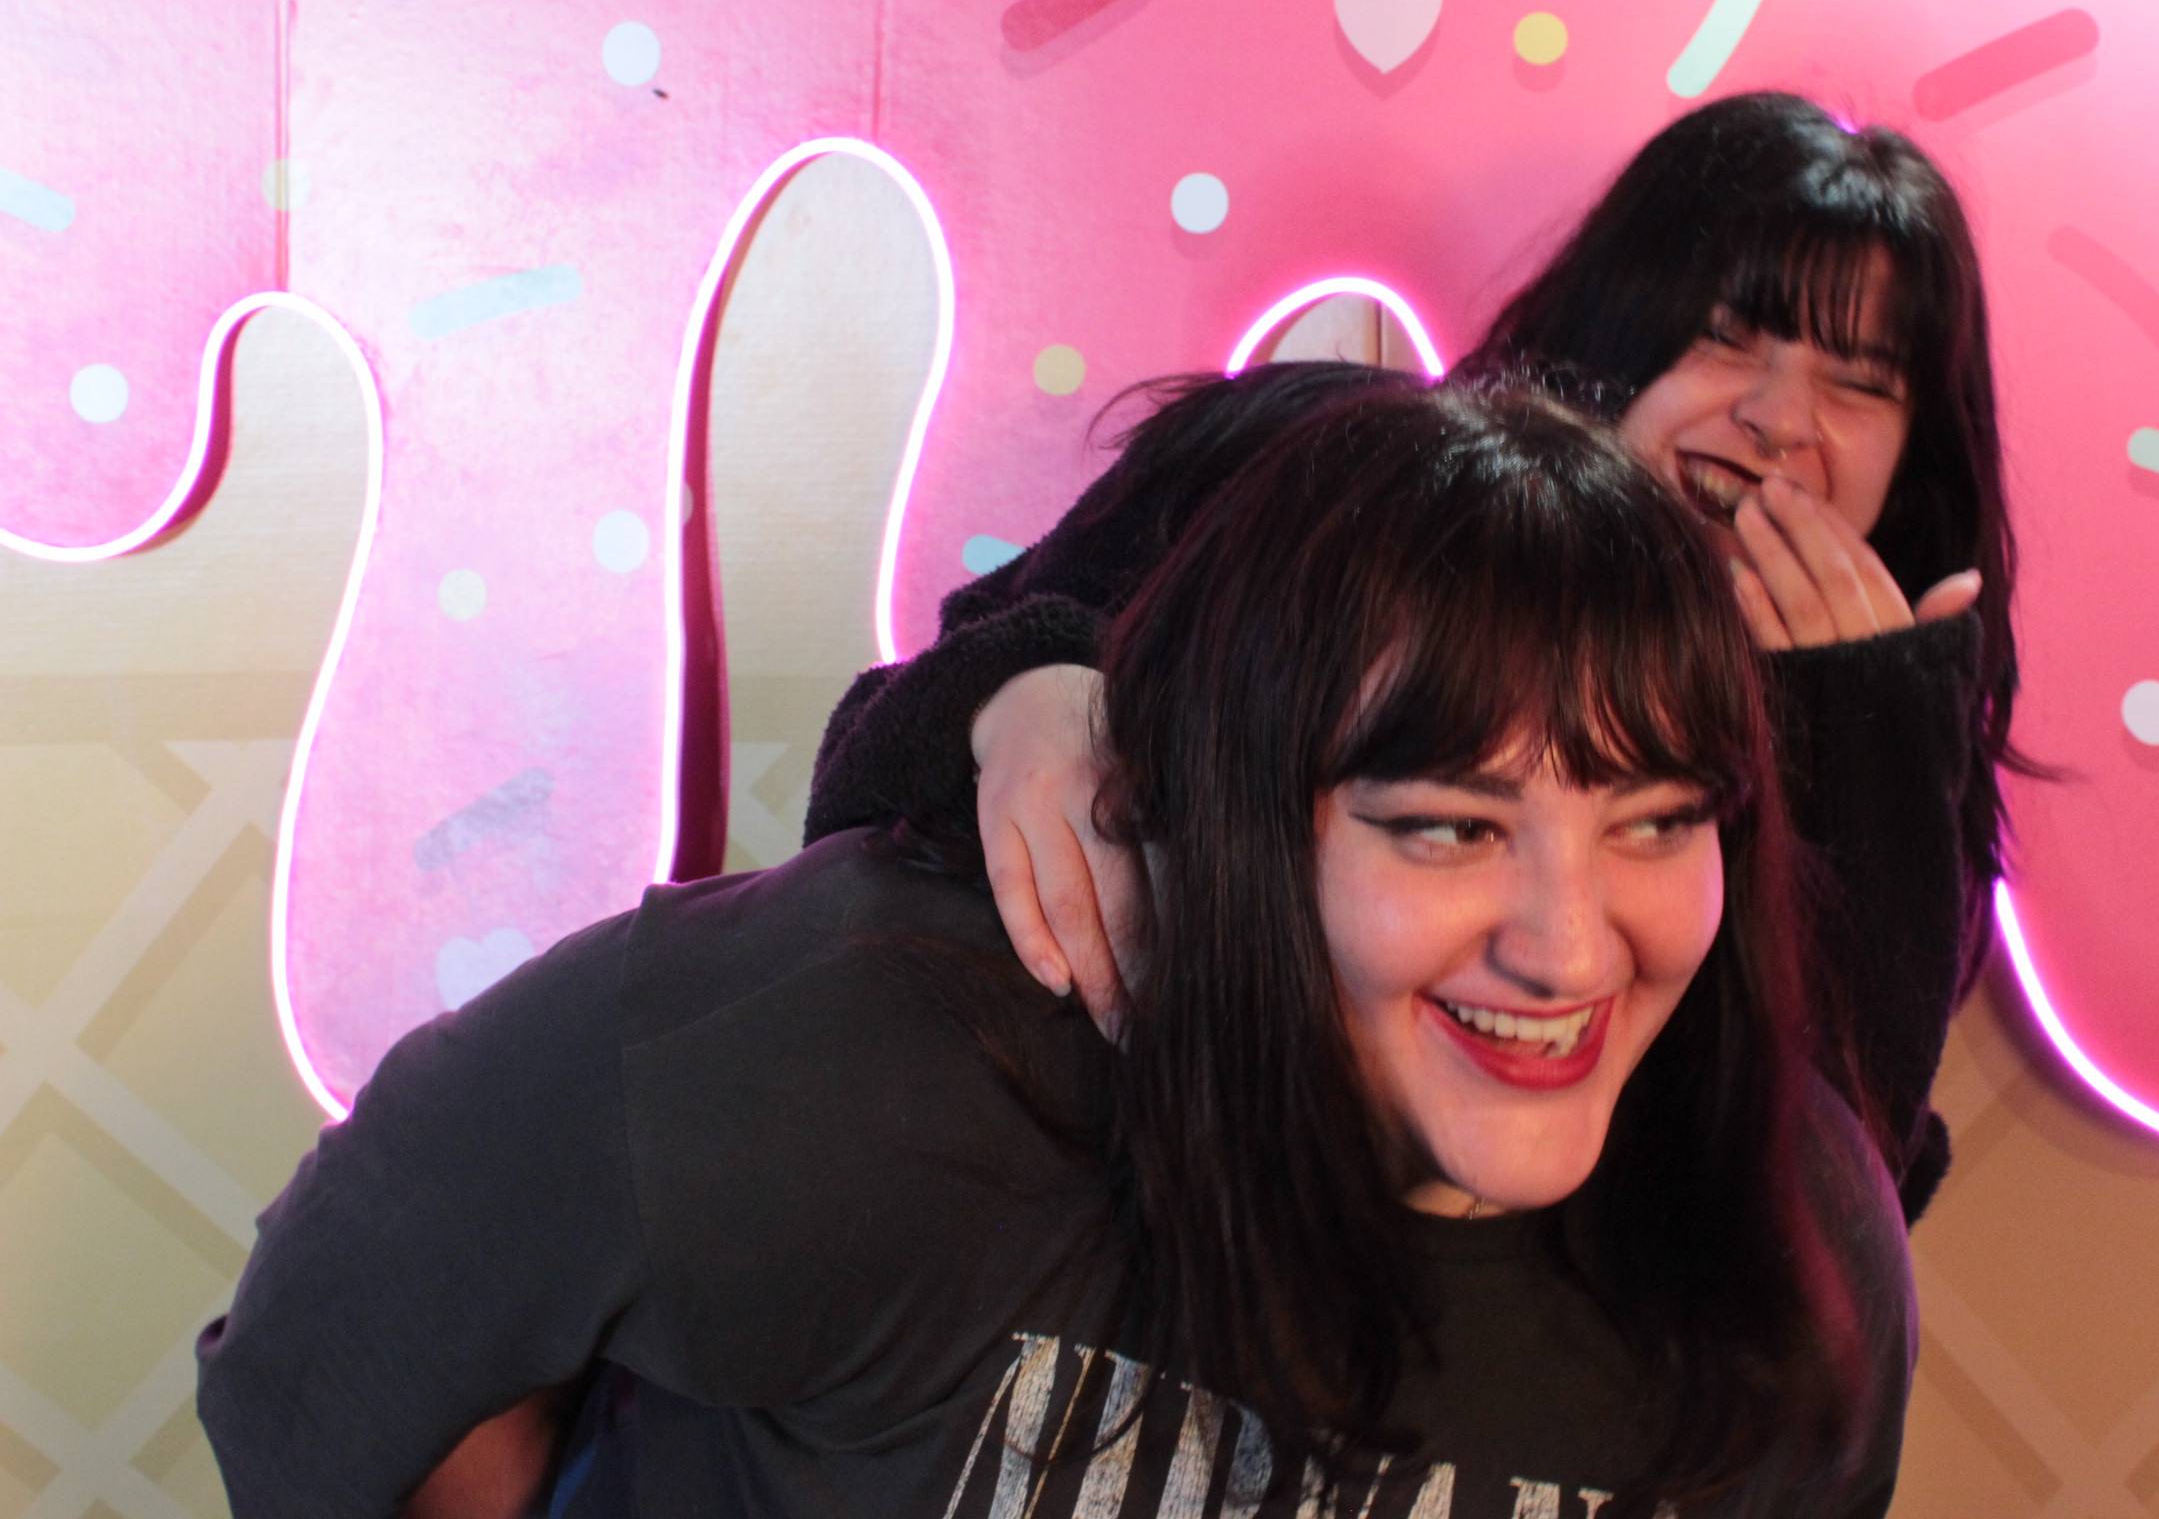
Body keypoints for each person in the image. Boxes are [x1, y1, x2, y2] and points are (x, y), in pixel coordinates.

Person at [196, 383, 1913, 1517]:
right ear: (1243, 825)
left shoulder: (1799, 1254)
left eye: (1656, 820)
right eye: (1449, 828)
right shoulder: (870, 1053)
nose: (1568, 946)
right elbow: (328, 1350)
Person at [803, 91, 2023, 1221]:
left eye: (1859, 385)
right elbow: (872, 767)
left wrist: (1873, 728)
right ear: (1617, 327)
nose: (1780, 419)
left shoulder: (1888, 743)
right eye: (1727, 337)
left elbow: (1826, 1221)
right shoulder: (1316, 479)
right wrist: (1028, 693)